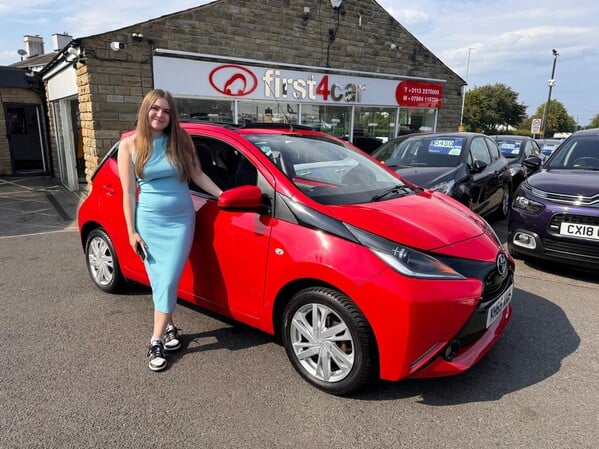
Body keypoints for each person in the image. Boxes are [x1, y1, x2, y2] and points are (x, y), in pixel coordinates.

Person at [118, 89, 223, 371]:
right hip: (149, 222)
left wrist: (222, 196)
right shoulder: (129, 145)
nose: (160, 115)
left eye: (166, 111)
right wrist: (131, 231)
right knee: (159, 279)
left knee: (168, 279)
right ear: (145, 111)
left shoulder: (181, 139)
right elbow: (128, 193)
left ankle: (155, 340)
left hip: (180, 220)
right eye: (155, 109)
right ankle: (170, 330)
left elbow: (197, 175)